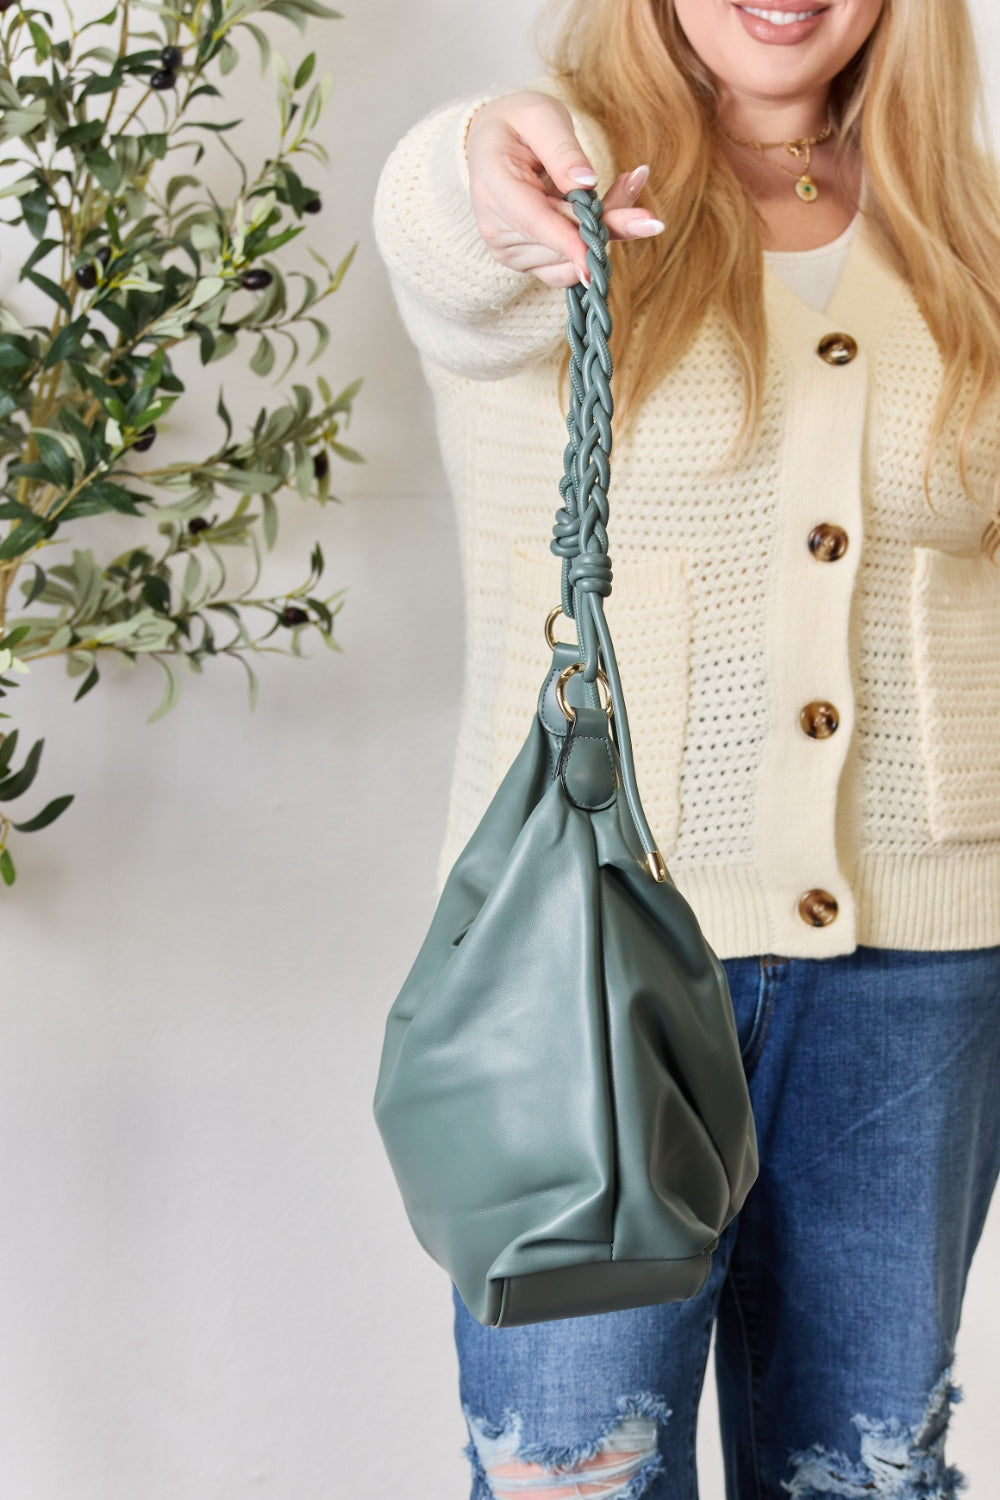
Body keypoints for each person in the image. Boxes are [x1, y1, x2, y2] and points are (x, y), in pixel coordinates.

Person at [372, 1, 1000, 1495]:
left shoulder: (970, 224)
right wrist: (475, 160)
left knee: (863, 1472)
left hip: (920, 983)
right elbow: (454, 247)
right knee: (573, 1472)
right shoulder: (567, 178)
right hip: (583, 976)